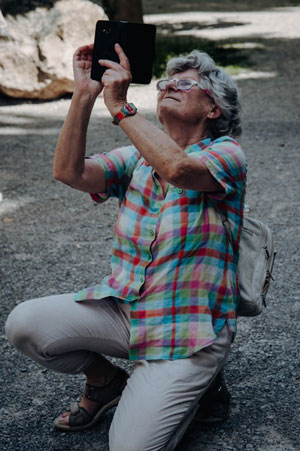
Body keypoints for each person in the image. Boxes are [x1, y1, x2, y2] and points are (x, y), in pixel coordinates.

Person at [5, 42, 247, 451]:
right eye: (165, 82)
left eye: (184, 83)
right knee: (24, 325)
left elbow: (178, 168)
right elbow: (70, 172)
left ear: (213, 109)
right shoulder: (138, 157)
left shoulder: (227, 154)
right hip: (127, 312)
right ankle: (106, 382)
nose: (168, 86)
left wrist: (120, 106)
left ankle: (200, 386)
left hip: (189, 333)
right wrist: (85, 96)